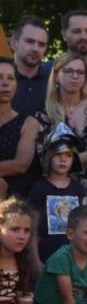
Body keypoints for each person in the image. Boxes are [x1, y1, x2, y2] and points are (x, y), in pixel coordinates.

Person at [36, 52, 87, 197]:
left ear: (86, 78)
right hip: (60, 193)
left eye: (80, 72)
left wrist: (67, 159)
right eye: (68, 71)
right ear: (56, 76)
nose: (75, 76)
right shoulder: (45, 116)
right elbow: (46, 162)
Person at [28, 125, 86, 265]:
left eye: (68, 155)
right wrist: (35, 261)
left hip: (73, 260)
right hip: (46, 258)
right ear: (49, 156)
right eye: (58, 154)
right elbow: (32, 229)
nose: (63, 159)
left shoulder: (79, 190)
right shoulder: (39, 189)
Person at [0, 57, 40, 199]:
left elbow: (20, 165)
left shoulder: (29, 123)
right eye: (0, 77)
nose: (5, 83)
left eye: (10, 78)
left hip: (15, 202)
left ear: (16, 85)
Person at [9, 15, 50, 117]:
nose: (35, 49)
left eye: (41, 44)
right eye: (29, 41)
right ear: (14, 43)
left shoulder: (54, 82)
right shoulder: (2, 79)